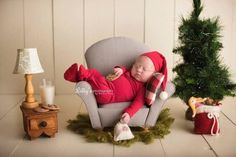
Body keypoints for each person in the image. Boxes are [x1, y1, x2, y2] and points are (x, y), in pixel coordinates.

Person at [64, 51, 167, 124]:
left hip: (108, 96)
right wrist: (120, 69)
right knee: (96, 75)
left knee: (98, 83)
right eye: (136, 66)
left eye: (144, 69)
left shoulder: (142, 88)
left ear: (153, 74)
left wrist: (129, 114)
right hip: (105, 82)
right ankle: (77, 75)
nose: (139, 70)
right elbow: (123, 68)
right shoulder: (128, 72)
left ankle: (83, 75)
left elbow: (138, 103)